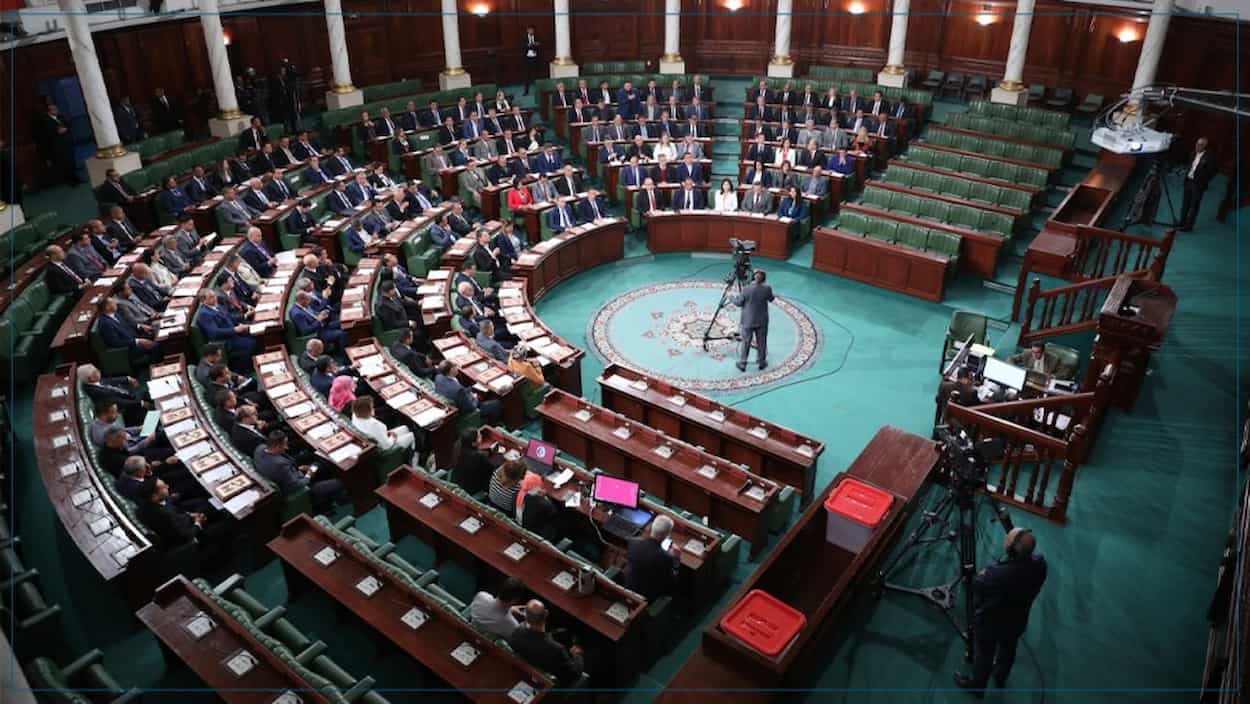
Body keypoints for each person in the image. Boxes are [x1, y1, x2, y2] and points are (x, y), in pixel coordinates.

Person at [954, 527, 1047, 695]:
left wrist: (981, 575)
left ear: (1012, 550)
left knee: (984, 653)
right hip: (1018, 619)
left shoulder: (996, 575)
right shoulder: (1040, 564)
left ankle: (977, 686)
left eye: (1008, 539)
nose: (1005, 539)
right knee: (1009, 648)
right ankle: (1000, 676)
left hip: (991, 624)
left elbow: (977, 588)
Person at [253, 431, 347, 508]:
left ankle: (331, 495)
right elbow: (297, 485)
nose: (286, 447)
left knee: (317, 464)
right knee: (340, 482)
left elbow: (285, 472)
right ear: (277, 446)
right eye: (285, 444)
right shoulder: (280, 465)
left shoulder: (259, 449)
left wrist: (298, 469)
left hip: (294, 475)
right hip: (302, 489)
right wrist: (308, 475)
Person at [508, 600, 585, 686]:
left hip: (527, 671)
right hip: (552, 682)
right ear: (546, 614)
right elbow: (573, 674)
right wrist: (577, 655)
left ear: (525, 616)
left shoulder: (517, 633)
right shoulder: (557, 649)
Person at [625, 515, 680, 600]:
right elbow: (671, 582)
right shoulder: (665, 557)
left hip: (628, 588)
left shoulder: (633, 543)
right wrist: (676, 559)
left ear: (651, 527)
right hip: (647, 597)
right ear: (667, 535)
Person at [435, 361, 502, 424]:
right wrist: (476, 398)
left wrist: (472, 388)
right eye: (455, 366)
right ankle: (493, 424)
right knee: (496, 403)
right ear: (451, 370)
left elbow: (461, 391)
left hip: (457, 400)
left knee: (475, 389)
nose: (457, 368)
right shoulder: (458, 390)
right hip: (466, 411)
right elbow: (471, 407)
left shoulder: (438, 377)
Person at [734, 269, 775, 372]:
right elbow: (771, 299)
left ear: (753, 277)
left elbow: (739, 303)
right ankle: (761, 362)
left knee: (746, 342)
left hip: (748, 321)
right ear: (764, 279)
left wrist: (731, 298)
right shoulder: (767, 288)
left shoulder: (746, 289)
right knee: (762, 342)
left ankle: (743, 363)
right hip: (762, 320)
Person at [350, 396, 416, 455]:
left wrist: (386, 434)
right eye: (372, 407)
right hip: (385, 448)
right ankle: (412, 457)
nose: (373, 408)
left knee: (405, 428)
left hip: (376, 438)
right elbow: (387, 445)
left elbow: (377, 433)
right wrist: (392, 437)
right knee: (412, 435)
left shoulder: (355, 415)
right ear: (367, 411)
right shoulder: (374, 425)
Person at [1179, 136, 1215, 231]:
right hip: (1189, 181)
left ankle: (1188, 226)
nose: (1197, 146)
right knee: (1185, 204)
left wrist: (1204, 180)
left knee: (1194, 206)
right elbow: (1190, 166)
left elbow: (1213, 171)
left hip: (1198, 185)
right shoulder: (1192, 153)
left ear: (1205, 146)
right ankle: (1181, 222)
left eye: (1201, 144)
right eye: (1197, 143)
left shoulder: (1209, 158)